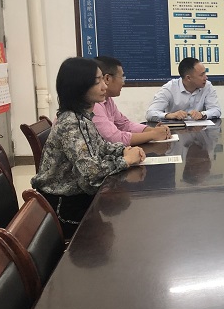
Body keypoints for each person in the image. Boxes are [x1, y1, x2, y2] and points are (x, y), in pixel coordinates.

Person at [31, 57, 145, 239]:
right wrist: (125, 160)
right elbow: (91, 176)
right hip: (63, 208)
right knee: (130, 225)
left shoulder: (82, 117)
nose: (105, 86)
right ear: (79, 86)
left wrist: (123, 150)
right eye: (98, 81)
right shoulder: (71, 123)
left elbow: (101, 146)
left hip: (77, 198)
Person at [93, 56, 171, 144]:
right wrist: (152, 134)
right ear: (107, 78)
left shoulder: (108, 100)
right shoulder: (94, 104)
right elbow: (113, 138)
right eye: (121, 77)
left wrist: (153, 130)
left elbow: (124, 125)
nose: (123, 82)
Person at [146, 57, 221, 122]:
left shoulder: (207, 86)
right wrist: (170, 115)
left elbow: (216, 110)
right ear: (188, 78)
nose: (206, 78)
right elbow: (150, 113)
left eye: (205, 73)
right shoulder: (169, 88)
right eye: (201, 75)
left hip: (200, 130)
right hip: (175, 131)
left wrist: (202, 114)